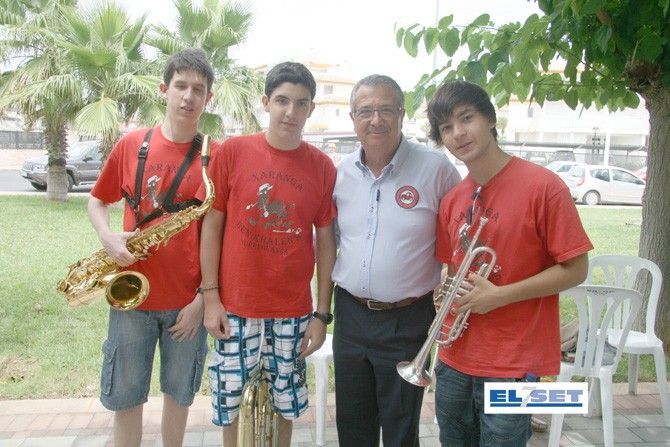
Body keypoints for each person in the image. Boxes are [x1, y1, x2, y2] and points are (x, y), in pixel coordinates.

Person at [427, 80, 593, 446]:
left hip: (516, 364)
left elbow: (577, 269)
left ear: (490, 119)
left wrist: (499, 296)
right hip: (454, 360)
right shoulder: (453, 199)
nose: (458, 133)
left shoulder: (544, 187)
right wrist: (445, 292)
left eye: (466, 118)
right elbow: (452, 269)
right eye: (446, 128)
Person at [199, 61, 337, 447]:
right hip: (235, 306)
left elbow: (326, 242)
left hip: (293, 310)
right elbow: (212, 225)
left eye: (301, 103)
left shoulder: (322, 167)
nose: (290, 111)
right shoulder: (232, 152)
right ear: (266, 102)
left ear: (311, 109)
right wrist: (211, 298)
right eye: (282, 100)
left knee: (285, 403)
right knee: (231, 403)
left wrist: (321, 315)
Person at [88, 48, 215, 447]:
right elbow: (97, 201)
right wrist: (107, 236)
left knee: (179, 396)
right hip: (131, 299)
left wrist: (202, 300)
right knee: (126, 400)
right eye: (180, 85)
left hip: (186, 304)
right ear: (164, 89)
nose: (188, 96)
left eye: (198, 89)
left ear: (208, 97)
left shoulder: (214, 157)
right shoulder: (131, 144)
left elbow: (220, 238)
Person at [332, 74, 461, 447]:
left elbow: (461, 239)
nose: (376, 120)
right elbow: (331, 240)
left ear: (402, 115)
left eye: (386, 110)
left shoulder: (436, 170)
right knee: (352, 423)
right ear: (353, 118)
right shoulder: (340, 173)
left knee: (401, 428)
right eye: (366, 111)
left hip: (408, 318)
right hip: (350, 314)